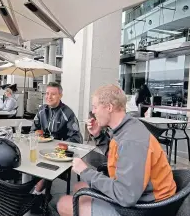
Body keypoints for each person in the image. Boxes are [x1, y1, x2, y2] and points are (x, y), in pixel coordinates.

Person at [56, 84, 176, 216]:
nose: (93, 111)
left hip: (146, 208)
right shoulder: (127, 128)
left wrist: (85, 171)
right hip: (141, 196)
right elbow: (119, 156)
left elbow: (126, 196)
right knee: (79, 187)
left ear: (109, 107)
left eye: (95, 107)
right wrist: (98, 135)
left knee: (63, 204)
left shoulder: (131, 141)